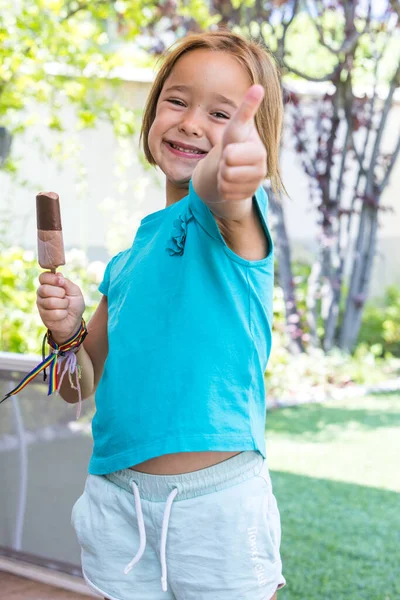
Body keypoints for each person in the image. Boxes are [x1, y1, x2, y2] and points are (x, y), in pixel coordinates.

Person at [36, 29, 286, 600]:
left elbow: (220, 192)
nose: (193, 123)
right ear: (152, 114)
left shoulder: (228, 220)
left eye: (221, 113)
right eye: (177, 101)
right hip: (116, 499)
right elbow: (78, 387)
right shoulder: (125, 263)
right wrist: (65, 330)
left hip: (216, 503)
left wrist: (233, 176)